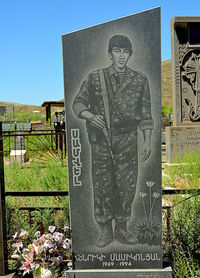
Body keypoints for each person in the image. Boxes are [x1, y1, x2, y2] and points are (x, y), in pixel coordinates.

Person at [72, 35, 154, 248]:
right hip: (102, 141)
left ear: (130, 54)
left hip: (128, 140)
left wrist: (147, 141)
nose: (121, 56)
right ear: (110, 54)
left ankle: (122, 228)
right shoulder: (95, 78)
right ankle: (105, 230)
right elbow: (78, 103)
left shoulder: (139, 80)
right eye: (117, 51)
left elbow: (145, 113)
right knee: (103, 185)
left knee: (126, 186)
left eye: (125, 52)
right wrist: (90, 116)